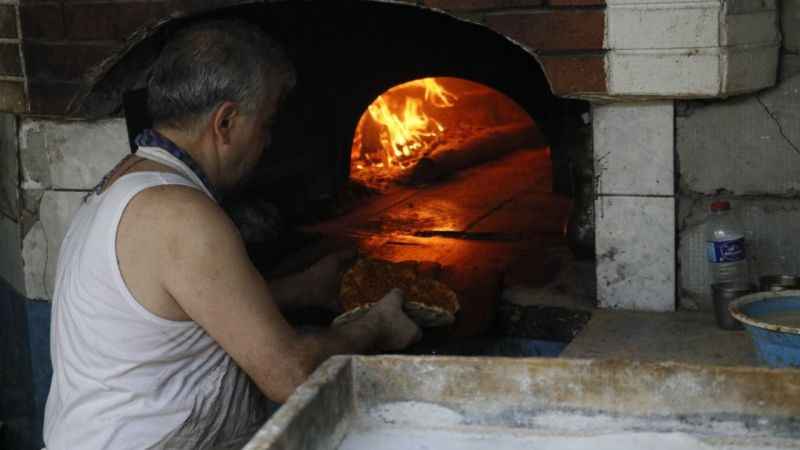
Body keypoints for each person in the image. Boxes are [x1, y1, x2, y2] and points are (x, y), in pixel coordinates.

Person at [43, 19, 421, 450]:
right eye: (266, 124)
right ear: (225, 123)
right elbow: (290, 375)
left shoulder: (127, 184)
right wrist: (377, 325)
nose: (268, 142)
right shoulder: (181, 215)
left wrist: (303, 288)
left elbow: (184, 308)